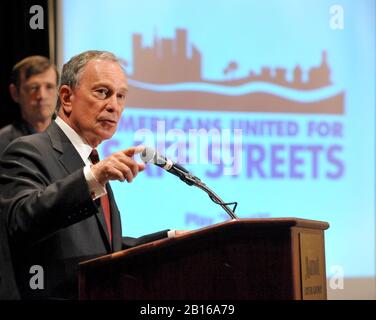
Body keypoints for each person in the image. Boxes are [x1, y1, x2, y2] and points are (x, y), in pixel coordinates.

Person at [0, 51, 173, 300]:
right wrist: (93, 177)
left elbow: (100, 249)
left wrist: (170, 241)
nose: (114, 105)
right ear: (67, 98)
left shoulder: (90, 160)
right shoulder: (28, 150)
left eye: (120, 96)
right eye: (103, 92)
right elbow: (21, 221)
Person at [0, 56, 59, 155]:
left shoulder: (72, 138)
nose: (42, 96)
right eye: (33, 88)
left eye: (49, 87)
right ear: (15, 93)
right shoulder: (3, 144)